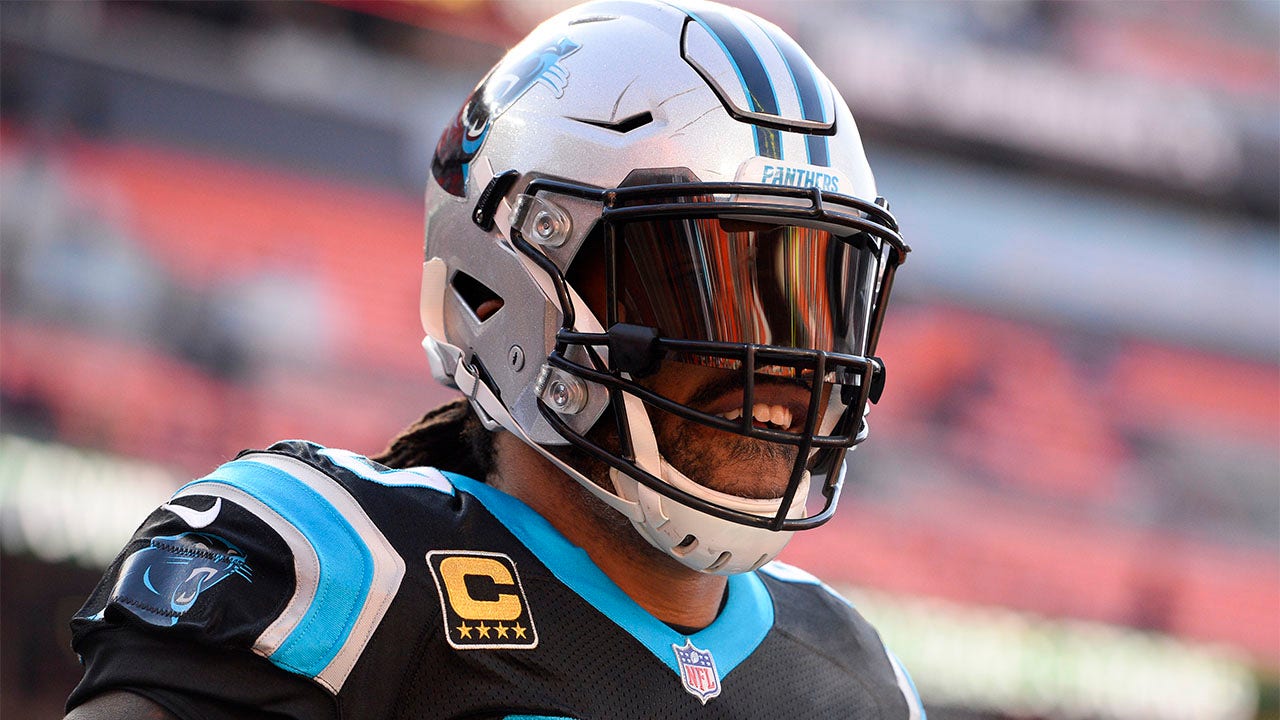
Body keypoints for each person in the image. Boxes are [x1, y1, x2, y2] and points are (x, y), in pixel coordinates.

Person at [65, 1, 923, 718]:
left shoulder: (856, 675)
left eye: (817, 297)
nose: (783, 363)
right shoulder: (343, 569)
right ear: (503, 284)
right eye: (714, 293)